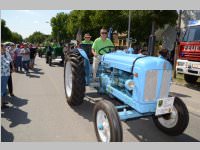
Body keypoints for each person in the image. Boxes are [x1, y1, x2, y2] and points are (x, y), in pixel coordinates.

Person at [1, 44, 13, 108]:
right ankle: (1, 104)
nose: (4, 48)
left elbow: (10, 60)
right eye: (3, 47)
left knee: (4, 89)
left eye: (4, 47)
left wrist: (12, 67)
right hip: (2, 74)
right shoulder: (1, 55)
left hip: (7, 73)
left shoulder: (6, 53)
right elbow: (6, 62)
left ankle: (3, 102)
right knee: (2, 89)